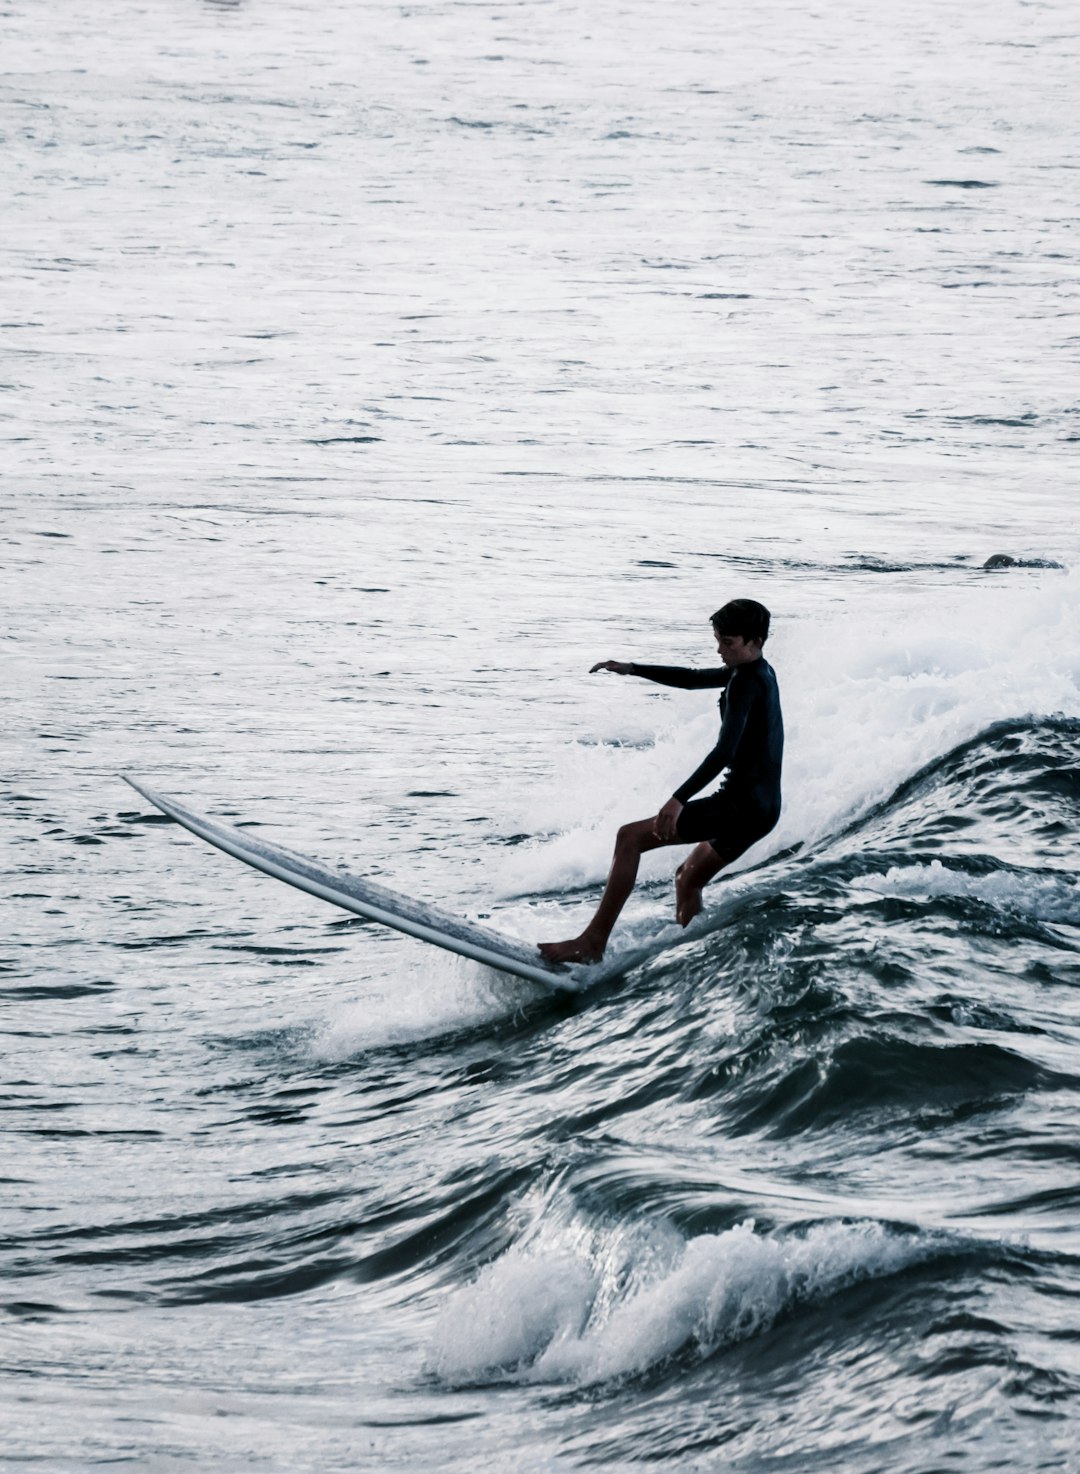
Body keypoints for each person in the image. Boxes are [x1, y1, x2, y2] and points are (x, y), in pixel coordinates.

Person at [538, 598, 783, 964]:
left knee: (630, 837)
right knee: (687, 878)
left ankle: (592, 943)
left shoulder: (746, 683)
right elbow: (692, 678)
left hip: (740, 806)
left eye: (727, 643)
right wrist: (633, 669)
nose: (719, 650)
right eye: (717, 640)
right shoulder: (757, 671)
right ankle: (696, 953)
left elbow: (724, 752)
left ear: (755, 640)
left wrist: (678, 799)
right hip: (761, 808)